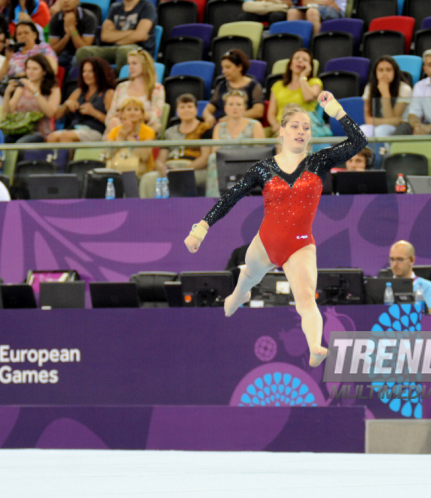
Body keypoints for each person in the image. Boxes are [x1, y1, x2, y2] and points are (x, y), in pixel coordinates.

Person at [185, 91, 367, 368]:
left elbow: (359, 141)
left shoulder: (319, 162)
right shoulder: (263, 169)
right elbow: (230, 197)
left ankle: (316, 346)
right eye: (295, 126)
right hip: (266, 242)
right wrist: (201, 228)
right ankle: (237, 297)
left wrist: (337, 111)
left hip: (300, 246)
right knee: (248, 274)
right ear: (281, 131)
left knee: (306, 299)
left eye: (306, 127)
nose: (301, 131)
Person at [75, 0, 157, 72]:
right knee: (84, 51)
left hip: (140, 50)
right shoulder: (115, 7)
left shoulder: (147, 6)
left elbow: (140, 35)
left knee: (124, 51)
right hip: (116, 49)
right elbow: (105, 36)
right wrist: (132, 33)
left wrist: (116, 36)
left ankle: (118, 84)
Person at [140, 93, 213, 198]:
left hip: (194, 169)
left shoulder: (204, 129)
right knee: (148, 179)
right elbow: (160, 160)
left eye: (189, 107)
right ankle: (148, 212)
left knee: (182, 179)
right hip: (170, 168)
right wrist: (163, 169)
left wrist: (184, 170)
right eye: (182, 107)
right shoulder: (170, 132)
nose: (186, 110)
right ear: (177, 111)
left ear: (196, 110)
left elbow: (205, 157)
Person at [205, 90, 266, 197]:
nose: (235, 108)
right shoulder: (219, 127)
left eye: (238, 105)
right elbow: (216, 151)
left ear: (244, 108)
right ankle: (215, 199)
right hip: (226, 163)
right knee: (212, 159)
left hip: (248, 161)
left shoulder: (255, 125)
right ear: (225, 108)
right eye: (231, 104)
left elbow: (261, 151)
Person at [47, 58, 115, 144]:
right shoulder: (79, 92)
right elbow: (57, 115)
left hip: (95, 130)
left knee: (66, 136)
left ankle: (70, 158)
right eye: (84, 71)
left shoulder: (108, 93)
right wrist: (66, 105)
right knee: (52, 137)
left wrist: (94, 112)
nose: (86, 75)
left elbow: (113, 121)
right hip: (74, 128)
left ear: (100, 73)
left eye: (90, 72)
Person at [105, 49, 165, 136]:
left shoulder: (156, 88)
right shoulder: (121, 87)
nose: (130, 67)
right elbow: (110, 115)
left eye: (134, 63)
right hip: (119, 127)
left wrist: (133, 116)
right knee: (114, 122)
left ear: (145, 66)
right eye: (129, 64)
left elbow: (156, 116)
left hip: (143, 128)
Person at [2, 54, 61, 143]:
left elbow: (51, 113)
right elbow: (7, 113)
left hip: (40, 132)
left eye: (35, 69)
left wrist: (36, 93)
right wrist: (7, 94)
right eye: (28, 68)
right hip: (19, 128)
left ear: (44, 71)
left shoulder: (53, 88)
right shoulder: (21, 88)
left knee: (21, 143)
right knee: (2, 138)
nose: (30, 72)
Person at [267, 49, 322, 136]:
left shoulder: (315, 82)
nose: (300, 61)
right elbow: (271, 113)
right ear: (290, 65)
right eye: (297, 58)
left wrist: (303, 77)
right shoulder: (277, 85)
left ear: (310, 67)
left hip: (302, 127)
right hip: (279, 127)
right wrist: (275, 125)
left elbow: (308, 97)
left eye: (304, 60)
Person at [203, 49, 264, 127]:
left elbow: (258, 111)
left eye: (228, 67)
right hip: (222, 126)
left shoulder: (253, 85)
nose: (224, 71)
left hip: (244, 125)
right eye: (223, 68)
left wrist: (232, 117)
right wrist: (208, 116)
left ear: (239, 67)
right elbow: (208, 109)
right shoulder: (221, 85)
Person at [48, 0, 97, 71]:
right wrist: (67, 36)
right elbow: (53, 51)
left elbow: (84, 50)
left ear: (77, 0)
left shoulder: (89, 18)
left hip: (90, 54)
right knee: (47, 61)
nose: (65, 0)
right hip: (65, 54)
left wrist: (72, 28)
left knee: (76, 60)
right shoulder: (55, 19)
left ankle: (71, 84)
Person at [387, 240, 431, 315]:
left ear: (412, 260)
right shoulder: (385, 287)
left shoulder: (427, 286)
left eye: (400, 259)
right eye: (392, 259)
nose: (395, 264)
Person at [107, 97, 156, 177]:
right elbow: (107, 154)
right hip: (117, 169)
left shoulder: (148, 131)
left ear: (142, 114)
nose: (132, 113)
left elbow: (144, 156)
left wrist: (130, 137)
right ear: (122, 113)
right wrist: (121, 138)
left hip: (142, 171)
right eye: (129, 109)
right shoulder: (115, 131)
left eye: (136, 109)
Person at [363, 55, 412, 136]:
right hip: (376, 125)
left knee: (381, 131)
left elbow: (392, 120)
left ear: (395, 72)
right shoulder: (369, 88)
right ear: (375, 72)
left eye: (388, 70)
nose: (384, 74)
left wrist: (385, 93)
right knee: (362, 131)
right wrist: (394, 120)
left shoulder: (404, 89)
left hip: (400, 127)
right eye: (381, 70)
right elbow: (368, 120)